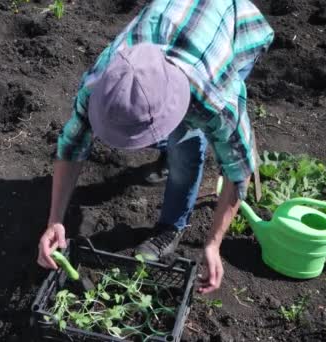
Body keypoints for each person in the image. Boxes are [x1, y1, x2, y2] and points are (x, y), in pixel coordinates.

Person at [37, 0, 274, 294]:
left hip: (232, 25)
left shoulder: (214, 99)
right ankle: (167, 152)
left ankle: (172, 226)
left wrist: (213, 243)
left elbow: (240, 169)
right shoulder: (102, 83)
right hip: (173, 17)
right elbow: (71, 147)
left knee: (184, 146)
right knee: (172, 139)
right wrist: (55, 220)